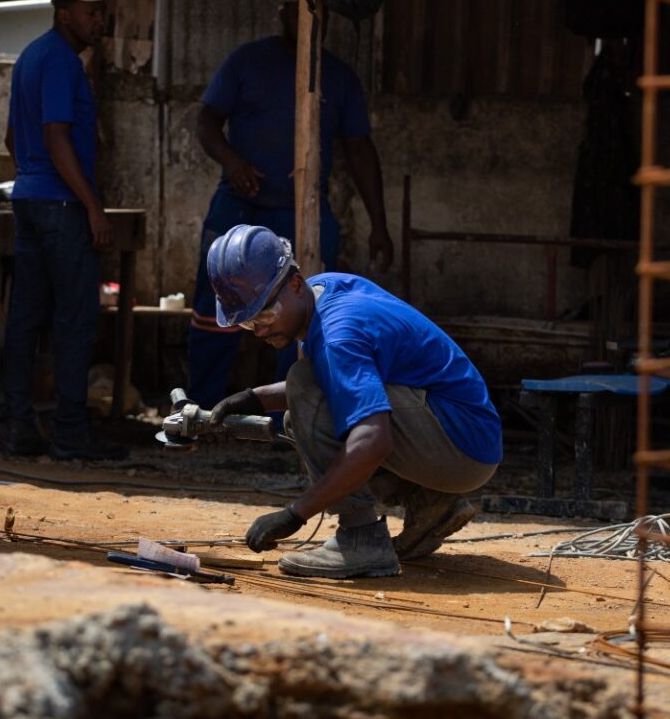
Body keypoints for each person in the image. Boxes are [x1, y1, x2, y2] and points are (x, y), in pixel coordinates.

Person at [205, 225, 502, 579]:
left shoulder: (338, 333)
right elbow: (342, 379)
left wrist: (295, 513)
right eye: (249, 323)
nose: (261, 330)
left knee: (304, 388)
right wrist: (252, 399)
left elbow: (373, 440)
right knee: (299, 408)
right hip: (463, 435)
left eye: (266, 315)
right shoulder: (326, 288)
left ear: (295, 284)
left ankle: (361, 540)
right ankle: (430, 502)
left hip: (461, 447)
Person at [187, 0, 394, 408]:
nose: (310, 23)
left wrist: (380, 223)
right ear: (283, 11)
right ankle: (202, 411)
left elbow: (360, 150)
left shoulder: (338, 78)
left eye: (319, 15)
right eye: (301, 12)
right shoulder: (247, 61)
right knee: (214, 309)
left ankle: (291, 420)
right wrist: (233, 161)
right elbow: (205, 121)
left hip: (300, 211)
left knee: (304, 312)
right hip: (241, 205)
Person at [0, 0, 127, 462]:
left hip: (30, 199)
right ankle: (72, 434)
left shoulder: (31, 56)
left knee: (26, 319)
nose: (100, 20)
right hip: (59, 206)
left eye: (101, 11)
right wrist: (92, 205)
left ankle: (17, 427)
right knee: (76, 318)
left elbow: (14, 137)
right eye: (91, 11)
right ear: (65, 10)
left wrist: (34, 177)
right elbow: (56, 137)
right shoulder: (60, 62)